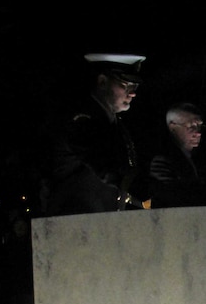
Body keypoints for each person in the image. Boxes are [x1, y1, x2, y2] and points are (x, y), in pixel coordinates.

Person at [44, 53, 150, 216]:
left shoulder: (112, 123)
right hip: (75, 220)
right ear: (102, 82)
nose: (133, 93)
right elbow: (107, 169)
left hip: (99, 219)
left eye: (135, 86)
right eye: (126, 85)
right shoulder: (82, 122)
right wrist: (149, 193)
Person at [147, 102, 206, 208]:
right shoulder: (162, 161)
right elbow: (171, 197)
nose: (198, 133)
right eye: (191, 126)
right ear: (173, 127)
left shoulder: (199, 160)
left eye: (200, 126)